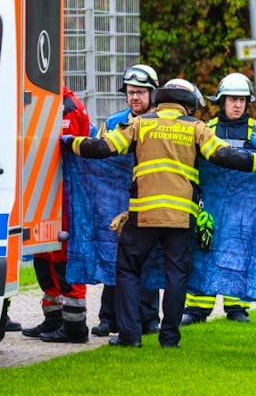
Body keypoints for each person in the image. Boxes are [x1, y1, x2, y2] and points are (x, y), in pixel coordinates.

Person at [63, 78, 256, 348]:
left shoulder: (141, 123)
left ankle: (130, 337)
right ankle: (170, 338)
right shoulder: (197, 128)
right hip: (181, 218)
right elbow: (229, 157)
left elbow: (101, 148)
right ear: (188, 105)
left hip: (143, 215)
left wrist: (69, 142)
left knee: (129, 270)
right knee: (176, 276)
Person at [181, 72, 256, 325]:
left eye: (242, 100)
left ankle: (236, 307)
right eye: (232, 99)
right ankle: (197, 308)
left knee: (239, 253)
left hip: (245, 208)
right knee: (204, 250)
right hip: (210, 205)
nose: (237, 104)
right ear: (221, 101)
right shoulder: (207, 129)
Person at [90, 64, 163, 338]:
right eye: (131, 93)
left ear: (152, 94)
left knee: (148, 259)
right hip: (114, 200)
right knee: (113, 257)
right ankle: (108, 318)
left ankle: (148, 318)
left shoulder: (161, 124)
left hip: (148, 199)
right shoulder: (113, 123)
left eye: (141, 92)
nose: (135, 98)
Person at [21, 86, 92, 343]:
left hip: (64, 193)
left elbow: (61, 150)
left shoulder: (67, 108)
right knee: (43, 256)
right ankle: (53, 318)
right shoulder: (47, 102)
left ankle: (75, 325)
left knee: (63, 257)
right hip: (45, 192)